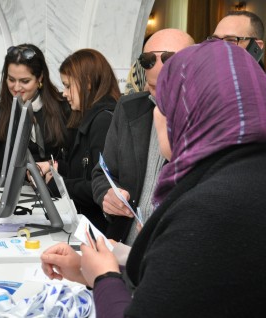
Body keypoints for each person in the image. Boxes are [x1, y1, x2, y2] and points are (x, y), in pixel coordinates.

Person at [42, 39, 266, 317]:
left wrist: (103, 278)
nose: (156, 111)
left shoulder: (209, 207)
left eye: (165, 101)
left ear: (190, 111)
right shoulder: (241, 175)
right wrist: (97, 268)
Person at [90, 29, 194, 243]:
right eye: (152, 86)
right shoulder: (129, 109)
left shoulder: (204, 120)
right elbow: (102, 173)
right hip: (122, 243)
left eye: (166, 86)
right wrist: (107, 195)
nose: (155, 95)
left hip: (171, 250)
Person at [38, 48, 120, 234]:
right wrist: (54, 167)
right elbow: (83, 170)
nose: (64, 93)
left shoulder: (103, 121)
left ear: (88, 83)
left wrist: (57, 184)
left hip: (98, 231)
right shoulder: (90, 117)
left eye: (68, 86)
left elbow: (100, 187)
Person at [0, 43, 70, 185]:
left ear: (40, 78)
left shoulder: (64, 107)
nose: (16, 87)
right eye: (11, 79)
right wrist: (26, 177)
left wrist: (50, 166)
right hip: (16, 199)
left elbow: (73, 165)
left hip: (56, 196)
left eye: (25, 81)